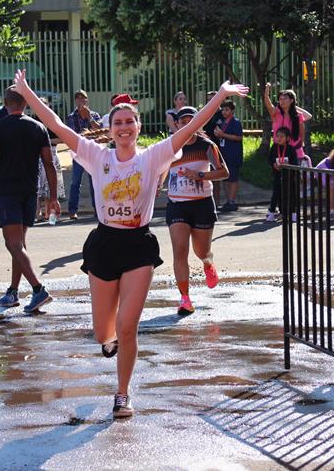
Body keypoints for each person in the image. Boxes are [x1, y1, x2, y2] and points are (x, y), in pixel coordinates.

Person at [13, 68, 248, 418]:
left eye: (129, 122)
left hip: (139, 244)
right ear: (110, 129)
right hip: (104, 243)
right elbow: (57, 127)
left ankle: (122, 395)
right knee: (102, 333)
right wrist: (27, 92)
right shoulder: (97, 156)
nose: (123, 127)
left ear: (138, 127)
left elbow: (188, 129)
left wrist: (221, 94)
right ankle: (109, 342)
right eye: (117, 122)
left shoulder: (152, 157)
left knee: (128, 325)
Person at [0, 86, 59, 313]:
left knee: (14, 244)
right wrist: (53, 197)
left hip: (8, 192)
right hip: (30, 192)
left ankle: (39, 289)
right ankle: (12, 291)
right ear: (26, 104)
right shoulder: (38, 127)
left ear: (5, 104)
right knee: (19, 244)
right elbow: (49, 164)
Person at [165, 106, 229, 315]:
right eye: (182, 122)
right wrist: (157, 183)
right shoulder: (170, 146)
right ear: (176, 125)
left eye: (191, 121)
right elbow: (160, 168)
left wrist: (200, 176)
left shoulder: (207, 146)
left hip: (201, 203)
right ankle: (185, 299)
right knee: (180, 250)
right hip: (177, 204)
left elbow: (224, 172)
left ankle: (208, 262)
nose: (186, 125)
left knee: (201, 251)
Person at [66, 89, 101, 220]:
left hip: (92, 153)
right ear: (75, 101)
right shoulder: (71, 117)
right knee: (75, 182)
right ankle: (72, 210)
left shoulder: (95, 115)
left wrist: (89, 118)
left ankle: (97, 210)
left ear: (87, 100)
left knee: (95, 182)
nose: (81, 101)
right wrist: (87, 134)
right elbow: (74, 136)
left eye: (83, 98)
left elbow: (100, 132)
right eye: (78, 99)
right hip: (79, 153)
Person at [263, 83, 313, 167]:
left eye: (285, 99)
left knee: (295, 178)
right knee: (279, 176)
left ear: (292, 100)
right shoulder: (276, 113)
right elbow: (268, 105)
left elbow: (302, 130)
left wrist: (293, 107)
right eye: (280, 99)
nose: (282, 101)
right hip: (279, 150)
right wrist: (266, 94)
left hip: (295, 151)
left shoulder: (297, 115)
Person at [35, 98, 65, 222]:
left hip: (52, 154)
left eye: (45, 106)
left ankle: (49, 215)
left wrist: (47, 142)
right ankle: (36, 215)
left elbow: (62, 138)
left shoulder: (54, 121)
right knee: (37, 188)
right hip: (37, 157)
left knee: (50, 187)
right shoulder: (33, 122)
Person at [214, 100, 243, 212]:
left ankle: (232, 201)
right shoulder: (221, 122)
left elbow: (239, 137)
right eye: (223, 110)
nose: (224, 112)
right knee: (225, 177)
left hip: (233, 153)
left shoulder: (236, 122)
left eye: (227, 110)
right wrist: (217, 134)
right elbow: (220, 136)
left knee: (233, 178)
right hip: (224, 153)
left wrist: (223, 135)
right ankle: (228, 200)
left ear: (232, 110)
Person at [267, 126, 299, 222]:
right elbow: (270, 158)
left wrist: (288, 164)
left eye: (282, 136)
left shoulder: (291, 149)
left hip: (289, 176)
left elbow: (295, 161)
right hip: (277, 174)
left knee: (291, 194)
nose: (279, 138)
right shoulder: (274, 147)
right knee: (276, 193)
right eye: (278, 136)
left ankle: (293, 213)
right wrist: (274, 164)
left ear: (287, 138)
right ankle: (273, 212)